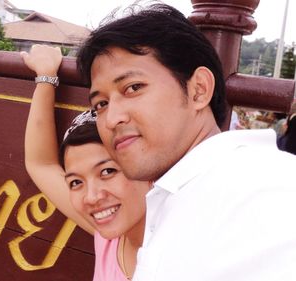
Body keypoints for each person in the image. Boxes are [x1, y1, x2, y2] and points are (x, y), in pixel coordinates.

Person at [76, 3, 296, 281]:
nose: (110, 119)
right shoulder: (174, 195)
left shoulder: (263, 193)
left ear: (198, 90)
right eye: (101, 104)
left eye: (133, 88)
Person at [22, 44, 151, 280]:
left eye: (108, 171)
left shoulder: (187, 255)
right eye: (75, 182)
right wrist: (45, 77)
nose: (92, 197)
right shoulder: (112, 236)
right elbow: (41, 163)